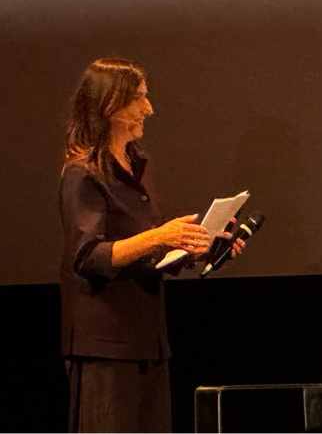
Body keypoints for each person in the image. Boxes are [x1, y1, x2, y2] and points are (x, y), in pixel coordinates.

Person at [59, 58, 237, 432]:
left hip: (147, 339)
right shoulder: (83, 173)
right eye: (139, 98)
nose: (149, 108)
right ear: (110, 104)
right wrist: (160, 236)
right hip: (106, 343)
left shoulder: (140, 163)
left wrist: (199, 245)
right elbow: (88, 256)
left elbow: (148, 251)